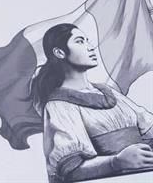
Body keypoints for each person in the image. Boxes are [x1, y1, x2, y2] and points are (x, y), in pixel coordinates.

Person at [31, 23, 153, 182]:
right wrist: (116, 162)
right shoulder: (59, 106)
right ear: (59, 52)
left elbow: (147, 127)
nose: (90, 47)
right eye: (80, 41)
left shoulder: (108, 92)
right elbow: (69, 170)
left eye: (88, 41)